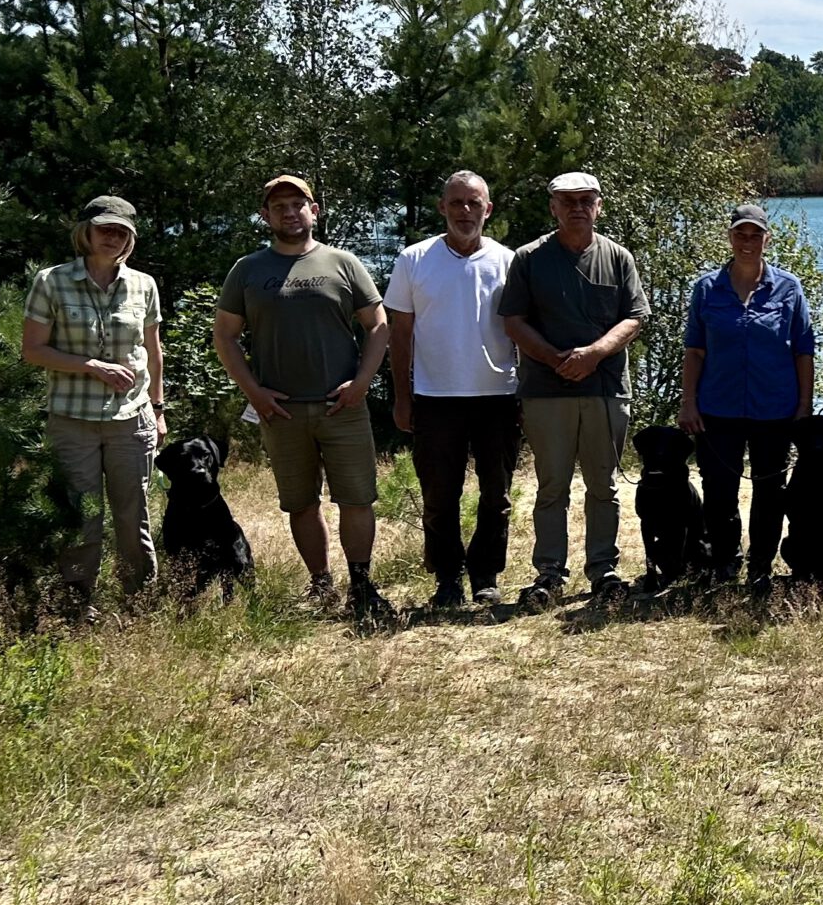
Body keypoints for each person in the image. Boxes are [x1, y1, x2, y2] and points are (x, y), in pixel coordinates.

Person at [213, 174, 393, 620]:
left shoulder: (343, 263)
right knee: (300, 502)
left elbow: (378, 325)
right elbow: (225, 335)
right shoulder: (248, 270)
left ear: (315, 210)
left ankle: (361, 584)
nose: (289, 212)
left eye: (298, 204)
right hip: (282, 413)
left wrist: (362, 383)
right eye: (279, 207)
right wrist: (254, 393)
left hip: (342, 406)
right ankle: (320, 583)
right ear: (266, 216)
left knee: (356, 499)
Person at [498, 171, 651, 608]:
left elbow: (634, 317)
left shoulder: (618, 257)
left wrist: (594, 354)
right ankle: (549, 573)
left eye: (586, 200)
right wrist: (555, 359)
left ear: (598, 205)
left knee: (603, 486)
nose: (577, 208)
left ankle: (603, 571)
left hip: (605, 390)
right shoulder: (529, 258)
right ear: (553, 207)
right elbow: (513, 321)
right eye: (568, 201)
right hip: (546, 392)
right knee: (552, 488)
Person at [21, 194, 166, 610]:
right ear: (86, 232)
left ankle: (140, 602)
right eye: (106, 229)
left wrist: (157, 409)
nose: (113, 238)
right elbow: (33, 350)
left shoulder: (144, 285)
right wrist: (92, 366)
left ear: (130, 240)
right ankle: (76, 604)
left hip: (131, 420)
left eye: (122, 232)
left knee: (132, 515)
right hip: (72, 419)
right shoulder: (52, 281)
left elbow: (154, 354)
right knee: (83, 517)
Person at [386, 171, 519, 612]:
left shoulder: (508, 261)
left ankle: (485, 576)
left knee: (495, 494)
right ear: (442, 207)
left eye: (474, 203)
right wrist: (402, 396)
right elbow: (399, 334)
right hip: (434, 398)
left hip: (498, 396)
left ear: (488, 209)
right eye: (456, 203)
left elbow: (521, 330)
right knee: (439, 494)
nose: (465, 211)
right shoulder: (414, 260)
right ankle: (447, 578)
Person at [680, 203, 816, 593]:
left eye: (755, 234)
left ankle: (761, 565)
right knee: (719, 490)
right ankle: (725, 562)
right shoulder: (707, 288)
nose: (747, 241)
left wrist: (804, 407)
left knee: (770, 492)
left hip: (775, 407)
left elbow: (804, 351)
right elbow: (695, 350)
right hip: (717, 407)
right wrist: (688, 402)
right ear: (730, 237)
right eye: (740, 233)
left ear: (766, 239)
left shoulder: (788, 288)